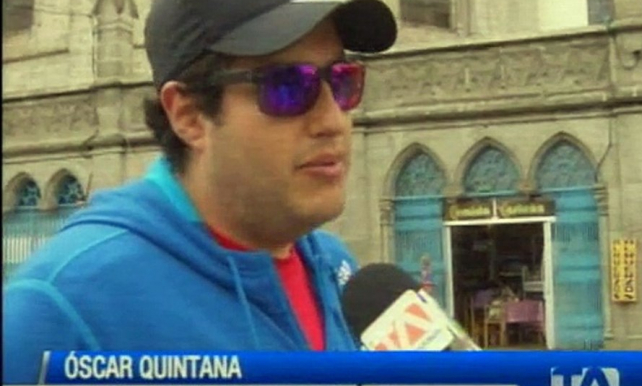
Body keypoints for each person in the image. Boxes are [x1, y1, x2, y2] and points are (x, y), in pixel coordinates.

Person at [2, 0, 397, 383]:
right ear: (188, 116)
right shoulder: (63, 308)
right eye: (288, 87)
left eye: (344, 80)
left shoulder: (336, 269)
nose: (333, 121)